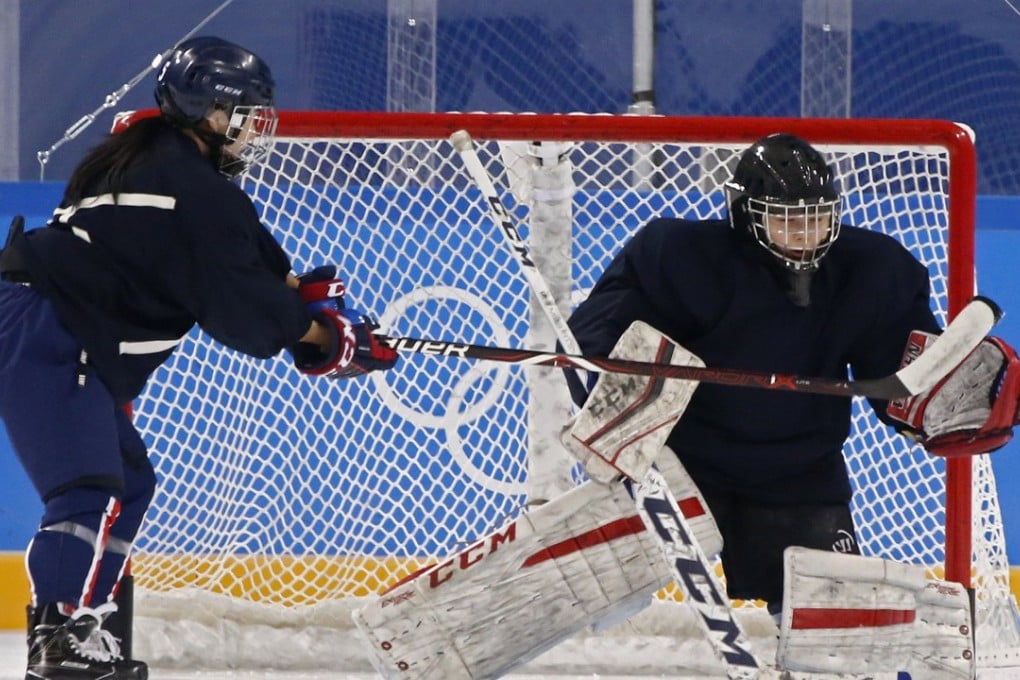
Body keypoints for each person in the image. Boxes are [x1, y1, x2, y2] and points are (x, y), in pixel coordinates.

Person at [0, 36, 396, 680]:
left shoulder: (150, 161)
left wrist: (310, 299)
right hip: (51, 331)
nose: (253, 130)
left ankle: (85, 631)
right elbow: (242, 308)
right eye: (242, 114)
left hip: (51, 325)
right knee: (88, 490)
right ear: (204, 111)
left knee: (127, 484)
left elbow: (246, 263)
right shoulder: (188, 192)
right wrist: (329, 339)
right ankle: (60, 635)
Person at [565, 132, 1017, 618]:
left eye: (818, 219)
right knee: (596, 603)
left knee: (834, 632)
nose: (806, 235)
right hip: (682, 465)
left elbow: (899, 381)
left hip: (800, 474)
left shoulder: (869, 270)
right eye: (786, 221)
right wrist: (618, 404)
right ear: (745, 215)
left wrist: (942, 401)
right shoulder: (679, 257)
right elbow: (594, 345)